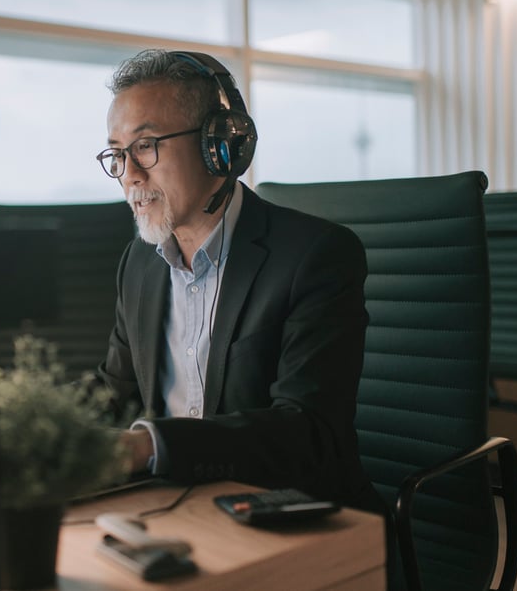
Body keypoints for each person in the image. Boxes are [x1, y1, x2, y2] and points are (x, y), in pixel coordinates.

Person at [94, 49, 381, 512]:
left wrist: (150, 446)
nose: (129, 174)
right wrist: (21, 417)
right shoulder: (140, 263)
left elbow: (308, 431)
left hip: (291, 515)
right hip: (175, 505)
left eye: (145, 146)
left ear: (219, 146)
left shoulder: (316, 256)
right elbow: (113, 391)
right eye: (117, 154)